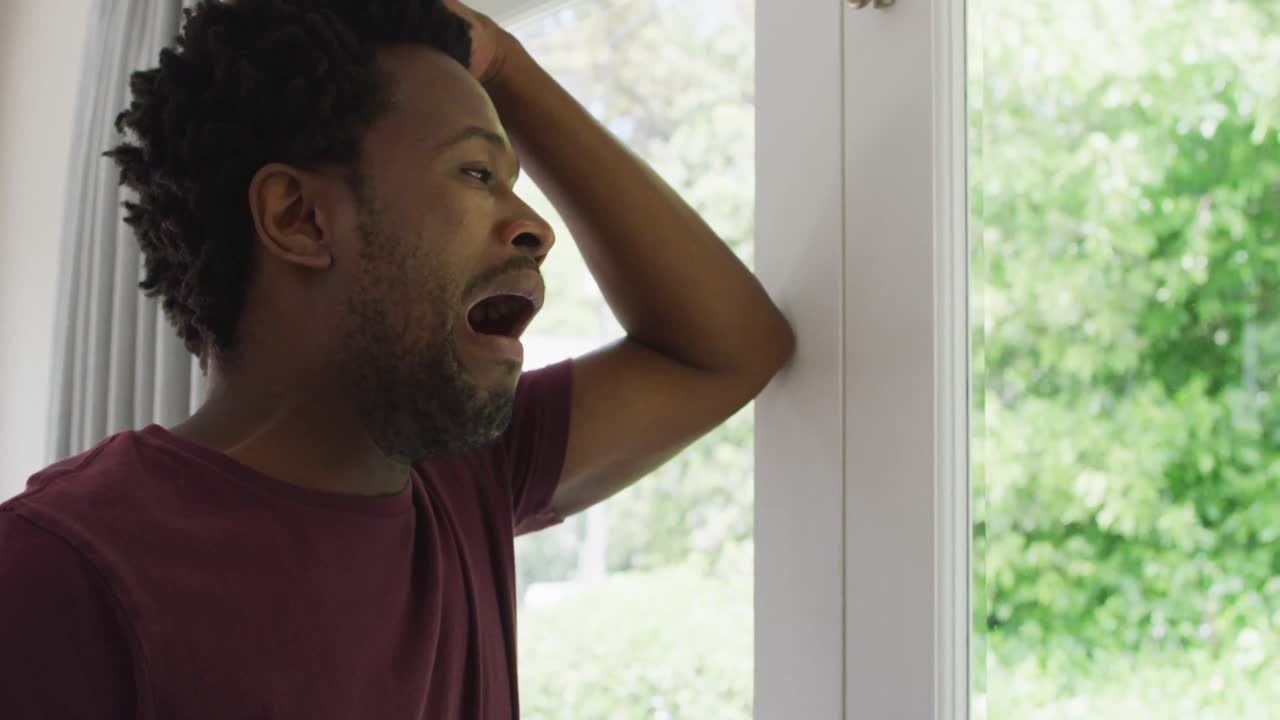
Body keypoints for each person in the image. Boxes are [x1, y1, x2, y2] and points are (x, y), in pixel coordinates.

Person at [0, 0, 794, 716]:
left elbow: (726, 350)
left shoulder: (463, 478)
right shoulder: (57, 576)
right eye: (478, 172)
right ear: (300, 217)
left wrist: (511, 67)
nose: (534, 227)